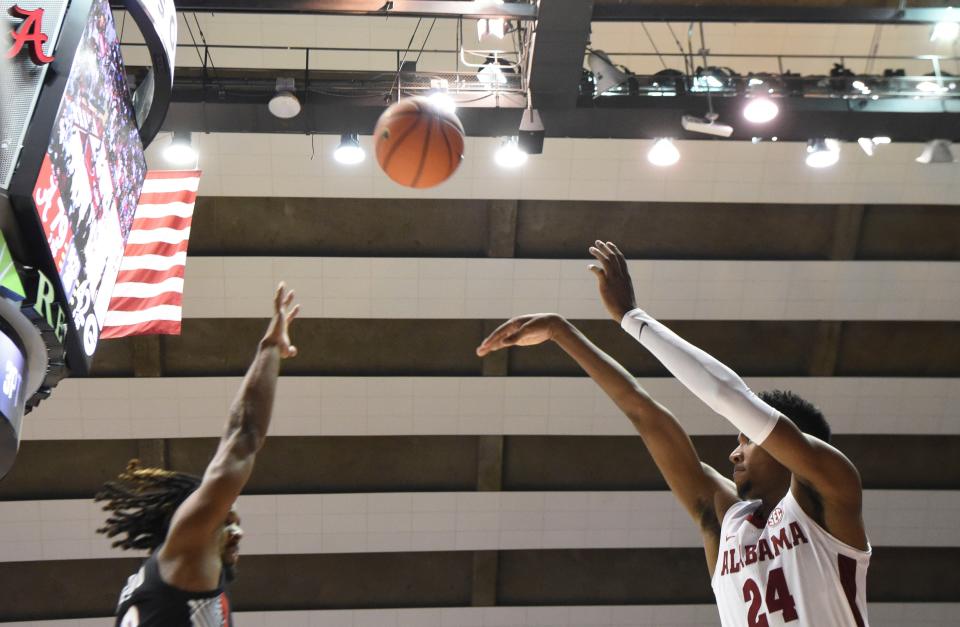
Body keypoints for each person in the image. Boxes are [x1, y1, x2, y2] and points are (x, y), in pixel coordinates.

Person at [476, 241, 870, 627]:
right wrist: (561, 333)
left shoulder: (831, 491)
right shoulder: (726, 520)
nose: (734, 454)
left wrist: (631, 317)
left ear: (784, 444)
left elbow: (727, 395)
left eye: (747, 440)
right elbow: (644, 413)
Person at [96, 283, 300, 627]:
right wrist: (270, 349)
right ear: (193, 518)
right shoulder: (188, 552)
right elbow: (241, 436)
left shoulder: (170, 575)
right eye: (226, 518)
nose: (238, 532)